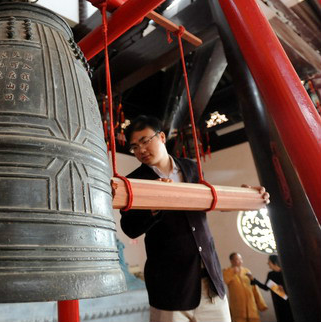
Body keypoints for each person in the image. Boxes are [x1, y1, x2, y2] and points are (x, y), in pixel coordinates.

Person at [120, 115, 268, 322]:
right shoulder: (133, 180)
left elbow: (209, 201)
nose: (141, 150)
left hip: (210, 282)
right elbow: (129, 227)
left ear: (162, 137)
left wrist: (243, 197)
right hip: (170, 288)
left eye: (145, 141)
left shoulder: (191, 167)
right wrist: (153, 207)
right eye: (134, 147)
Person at [247, 255, 294, 322]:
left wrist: (284, 288)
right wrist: (253, 279)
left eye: (269, 261)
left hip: (289, 301)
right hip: (277, 301)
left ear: (274, 262)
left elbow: (292, 286)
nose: (267, 263)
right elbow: (266, 287)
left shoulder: (285, 272)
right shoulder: (271, 274)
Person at [223, 253, 268, 322]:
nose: (240, 261)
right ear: (231, 261)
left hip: (251, 304)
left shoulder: (246, 271)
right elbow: (225, 281)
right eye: (238, 259)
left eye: (241, 259)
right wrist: (233, 272)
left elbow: (254, 287)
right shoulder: (227, 271)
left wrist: (261, 304)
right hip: (238, 305)